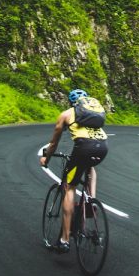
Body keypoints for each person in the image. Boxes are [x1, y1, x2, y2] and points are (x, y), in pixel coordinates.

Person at [40, 88, 108, 253]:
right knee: (89, 166)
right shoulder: (92, 114)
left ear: (70, 102)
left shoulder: (66, 114)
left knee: (69, 187)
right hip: (103, 147)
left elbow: (53, 144)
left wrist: (45, 159)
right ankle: (91, 201)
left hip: (84, 147)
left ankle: (64, 240)